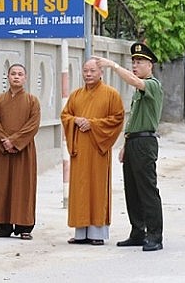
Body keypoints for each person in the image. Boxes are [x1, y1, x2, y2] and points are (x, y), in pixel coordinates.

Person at [95, 42, 164, 252]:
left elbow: (134, 80)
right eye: (133, 62)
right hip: (133, 141)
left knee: (147, 190)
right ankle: (138, 232)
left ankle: (155, 235)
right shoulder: (138, 91)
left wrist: (113, 66)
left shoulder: (152, 85)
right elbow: (134, 120)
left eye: (140, 62)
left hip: (145, 143)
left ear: (150, 65)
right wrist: (125, 144)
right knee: (132, 190)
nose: (135, 65)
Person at [60, 59, 124, 246]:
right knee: (80, 189)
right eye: (85, 70)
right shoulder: (76, 95)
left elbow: (118, 118)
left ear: (101, 72)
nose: (88, 74)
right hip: (80, 149)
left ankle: (97, 232)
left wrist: (93, 124)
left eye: (92, 71)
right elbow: (65, 115)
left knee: (97, 188)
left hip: (98, 149)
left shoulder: (111, 94)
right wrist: (75, 120)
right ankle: (80, 233)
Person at [0, 64, 41, 240]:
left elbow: (33, 125)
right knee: (2, 186)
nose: (16, 77)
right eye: (13, 74)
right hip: (3, 150)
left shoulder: (32, 101)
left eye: (20, 74)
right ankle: (2, 226)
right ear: (8, 77)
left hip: (24, 150)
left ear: (25, 78)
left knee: (24, 186)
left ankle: (24, 226)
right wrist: (5, 141)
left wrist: (15, 141)